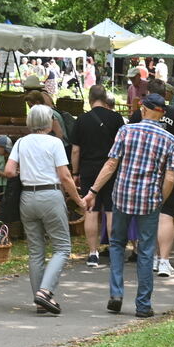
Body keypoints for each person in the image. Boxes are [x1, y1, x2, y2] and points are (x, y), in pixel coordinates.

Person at [82, 93, 174, 319]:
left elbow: (111, 164)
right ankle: (143, 305)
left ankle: (116, 294)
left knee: (116, 244)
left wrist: (93, 190)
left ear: (143, 110)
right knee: (145, 251)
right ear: (161, 113)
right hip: (149, 200)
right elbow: (171, 178)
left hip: (122, 196)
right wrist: (159, 200)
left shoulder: (126, 131)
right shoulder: (169, 140)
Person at [6, 105, 85, 315]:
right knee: (62, 247)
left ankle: (40, 301)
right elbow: (65, 176)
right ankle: (45, 291)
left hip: (27, 197)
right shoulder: (54, 142)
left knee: (35, 250)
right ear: (48, 122)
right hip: (50, 195)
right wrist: (78, 200)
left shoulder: (21, 143)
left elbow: (9, 170)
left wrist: (29, 170)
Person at [128, 79, 174, 278]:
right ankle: (164, 260)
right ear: (166, 94)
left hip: (144, 170)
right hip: (170, 170)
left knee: (146, 215)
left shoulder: (139, 113)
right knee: (166, 215)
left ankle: (151, 256)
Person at [70, 86, 124, 266]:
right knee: (110, 211)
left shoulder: (81, 120)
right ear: (105, 98)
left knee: (90, 211)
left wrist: (75, 172)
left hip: (88, 169)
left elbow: (76, 150)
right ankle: (115, 253)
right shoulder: (116, 118)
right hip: (111, 169)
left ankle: (93, 253)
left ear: (89, 99)